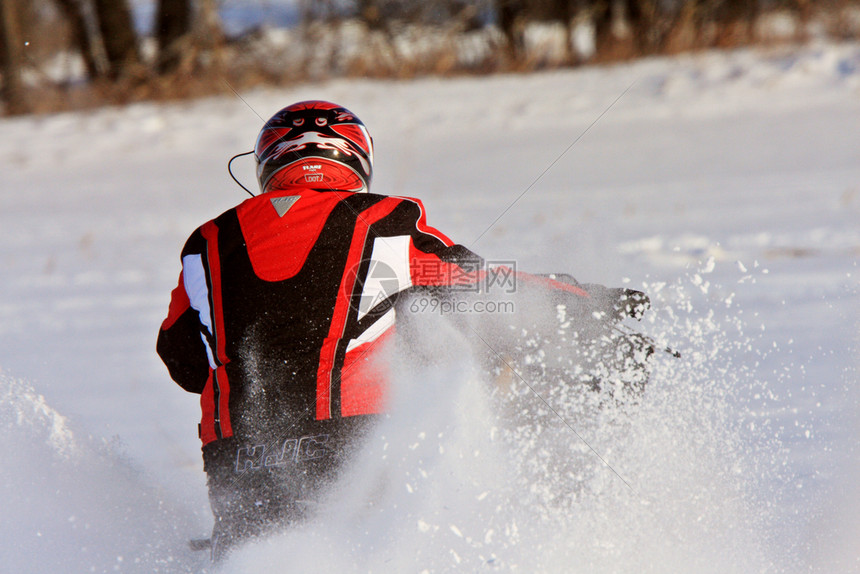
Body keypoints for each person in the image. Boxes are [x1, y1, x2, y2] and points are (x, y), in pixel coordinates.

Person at [156, 100, 648, 560]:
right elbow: (481, 287)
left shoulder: (206, 243)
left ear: (268, 164)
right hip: (352, 442)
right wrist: (583, 300)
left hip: (236, 458)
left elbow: (180, 358)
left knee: (251, 556)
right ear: (355, 161)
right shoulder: (383, 222)